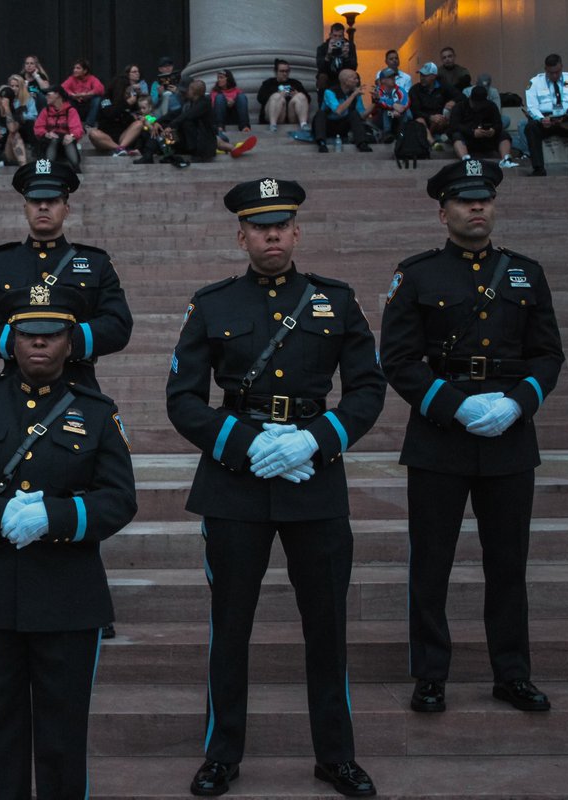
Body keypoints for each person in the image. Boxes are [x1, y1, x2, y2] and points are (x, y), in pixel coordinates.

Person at [167, 177, 385, 799]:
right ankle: (221, 753)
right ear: (241, 235)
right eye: (258, 226)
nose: (271, 235)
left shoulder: (336, 301)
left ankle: (336, 755)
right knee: (230, 625)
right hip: (235, 485)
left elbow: (368, 388)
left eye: (281, 225)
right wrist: (246, 443)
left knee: (327, 624)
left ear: (297, 232)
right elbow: (183, 398)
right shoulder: (212, 304)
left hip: (314, 480)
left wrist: (318, 438)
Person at [0, 283, 137, 800]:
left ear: (69, 342)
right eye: (28, 333)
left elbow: (120, 499)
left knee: (63, 733)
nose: (39, 343)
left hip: (68, 594)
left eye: (52, 333)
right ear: (10, 341)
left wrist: (53, 517)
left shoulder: (98, 412)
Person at [380, 160, 565, 719]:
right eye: (464, 201)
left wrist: (519, 402)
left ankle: (512, 673)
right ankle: (431, 674)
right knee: (431, 562)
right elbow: (398, 359)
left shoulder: (526, 274)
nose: (476, 208)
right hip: (440, 436)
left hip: (509, 435)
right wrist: (455, 405)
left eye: (483, 199)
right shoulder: (416, 275)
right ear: (444, 212)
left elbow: (549, 353)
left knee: (508, 563)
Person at [0, 160, 132, 391]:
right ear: (25, 208)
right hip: (11, 390)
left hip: (77, 388)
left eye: (52, 200)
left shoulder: (96, 263)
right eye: (35, 201)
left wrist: (64, 345)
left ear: (66, 208)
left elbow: (118, 325)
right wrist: (24, 345)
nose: (43, 207)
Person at [523, 53, 568, 177]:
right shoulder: (535, 83)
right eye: (551, 73)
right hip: (546, 122)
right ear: (545, 69)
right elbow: (532, 106)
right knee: (530, 128)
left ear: (562, 67)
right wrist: (540, 119)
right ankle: (538, 169)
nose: (554, 75)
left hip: (566, 121)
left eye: (557, 72)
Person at [449, 84, 516, 167]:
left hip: (487, 139)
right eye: (476, 104)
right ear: (470, 99)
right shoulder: (459, 107)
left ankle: (506, 159)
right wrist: (472, 132)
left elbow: (498, 124)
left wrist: (493, 130)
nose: (478, 107)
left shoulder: (491, 106)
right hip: (468, 139)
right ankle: (466, 160)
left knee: (504, 135)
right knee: (457, 135)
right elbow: (454, 126)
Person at [313, 68, 372, 153]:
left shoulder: (355, 94)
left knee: (354, 114)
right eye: (354, 78)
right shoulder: (329, 92)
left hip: (343, 126)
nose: (357, 81)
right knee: (320, 114)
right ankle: (322, 144)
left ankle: (362, 144)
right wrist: (353, 95)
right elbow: (338, 110)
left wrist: (375, 102)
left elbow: (362, 115)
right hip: (328, 125)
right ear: (345, 81)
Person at [88, 76, 145, 157]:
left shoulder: (130, 99)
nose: (128, 93)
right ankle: (119, 149)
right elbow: (110, 113)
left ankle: (120, 148)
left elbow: (139, 114)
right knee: (93, 134)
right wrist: (126, 104)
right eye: (126, 90)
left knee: (139, 124)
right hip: (106, 137)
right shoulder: (106, 99)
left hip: (123, 137)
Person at [34, 85, 84, 172]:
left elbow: (77, 128)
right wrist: (46, 133)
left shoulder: (70, 110)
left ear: (57, 95)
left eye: (48, 94)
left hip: (64, 143)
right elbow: (38, 128)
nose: (46, 97)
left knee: (68, 140)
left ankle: (76, 168)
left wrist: (71, 136)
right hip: (49, 142)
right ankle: (44, 170)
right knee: (53, 139)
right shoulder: (45, 110)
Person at [409, 62, 458, 148]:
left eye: (425, 75)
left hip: (441, 120)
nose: (422, 78)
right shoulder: (415, 89)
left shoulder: (444, 86)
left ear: (434, 76)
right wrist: (430, 117)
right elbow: (415, 111)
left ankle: (444, 136)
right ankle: (433, 143)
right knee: (419, 121)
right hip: (424, 121)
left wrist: (453, 101)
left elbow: (462, 97)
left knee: (449, 114)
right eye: (421, 75)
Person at [256, 59, 311, 131]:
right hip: (276, 115)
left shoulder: (295, 83)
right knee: (277, 97)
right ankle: (273, 126)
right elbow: (260, 98)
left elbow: (308, 99)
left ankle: (303, 124)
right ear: (276, 72)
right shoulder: (268, 83)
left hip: (291, 116)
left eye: (287, 71)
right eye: (282, 71)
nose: (285, 73)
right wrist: (278, 94)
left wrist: (296, 94)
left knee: (300, 96)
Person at [315, 23, 357, 94]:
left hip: (344, 75)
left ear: (343, 36)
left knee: (354, 77)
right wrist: (328, 55)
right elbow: (320, 68)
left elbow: (354, 67)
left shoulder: (349, 46)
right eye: (335, 36)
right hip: (329, 75)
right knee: (322, 77)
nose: (337, 39)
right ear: (330, 35)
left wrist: (346, 56)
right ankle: (322, 103)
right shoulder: (322, 48)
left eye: (340, 36)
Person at [61, 58, 104, 128]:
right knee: (66, 99)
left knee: (97, 99)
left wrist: (87, 94)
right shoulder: (71, 79)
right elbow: (62, 88)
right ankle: (71, 123)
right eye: (74, 68)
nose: (74, 70)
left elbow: (100, 89)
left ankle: (89, 124)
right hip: (76, 105)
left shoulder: (92, 78)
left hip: (88, 105)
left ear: (85, 71)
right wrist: (73, 95)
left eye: (78, 68)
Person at [368, 68, 408, 142]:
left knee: (407, 113)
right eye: (390, 77)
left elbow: (404, 106)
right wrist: (393, 106)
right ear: (383, 80)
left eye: (394, 77)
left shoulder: (400, 90)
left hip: (398, 115)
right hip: (383, 117)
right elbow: (381, 105)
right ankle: (387, 134)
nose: (393, 79)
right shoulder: (378, 91)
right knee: (386, 112)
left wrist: (396, 109)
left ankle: (403, 134)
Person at [210, 69, 250, 135]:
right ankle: (219, 127)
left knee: (242, 97)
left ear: (228, 79)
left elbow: (242, 105)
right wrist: (225, 103)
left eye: (221, 77)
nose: (219, 80)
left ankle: (244, 126)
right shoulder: (214, 92)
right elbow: (213, 107)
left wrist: (233, 103)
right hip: (221, 118)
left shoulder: (237, 91)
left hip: (234, 117)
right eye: (218, 78)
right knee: (219, 97)